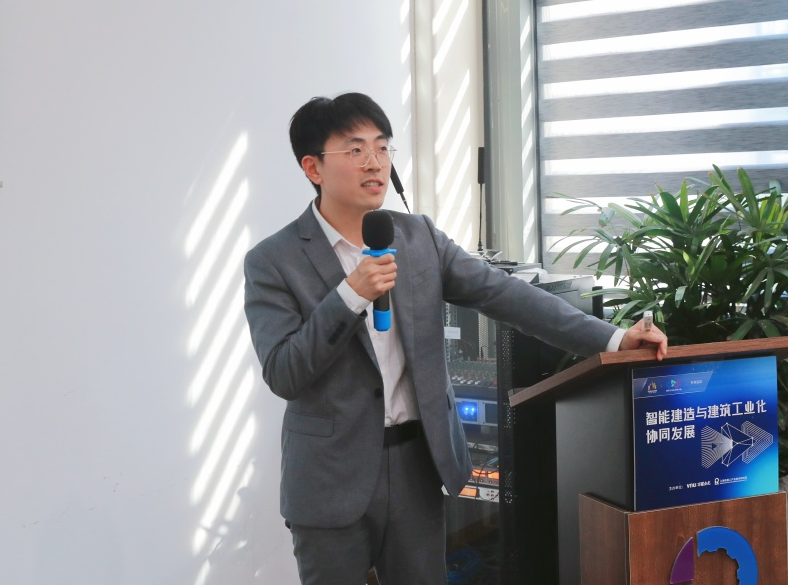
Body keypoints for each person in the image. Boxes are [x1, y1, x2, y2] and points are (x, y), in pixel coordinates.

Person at [243, 92, 667, 585]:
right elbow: (284, 372)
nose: (374, 163)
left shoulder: (418, 237)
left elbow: (507, 294)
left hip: (417, 465)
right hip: (328, 477)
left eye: (382, 147)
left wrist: (613, 338)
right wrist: (349, 295)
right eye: (355, 150)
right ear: (313, 167)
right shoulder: (273, 260)